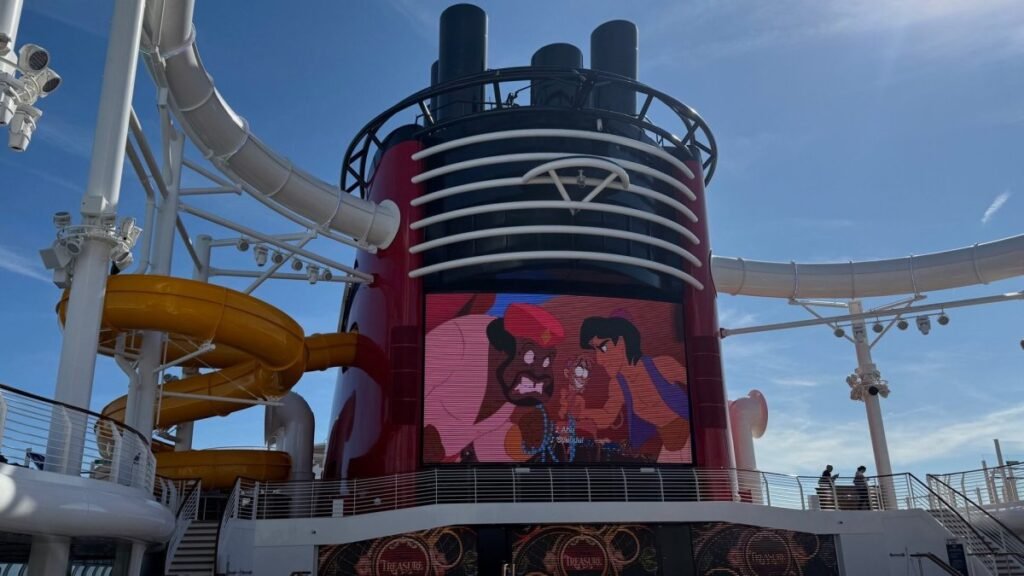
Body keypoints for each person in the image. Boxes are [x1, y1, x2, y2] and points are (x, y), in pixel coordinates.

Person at [578, 315, 690, 462]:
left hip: (692, 441)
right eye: (595, 351)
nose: (599, 360)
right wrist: (581, 412)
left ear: (622, 342)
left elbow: (701, 386)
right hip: (671, 448)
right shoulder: (618, 384)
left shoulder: (661, 365)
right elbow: (607, 416)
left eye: (603, 348)